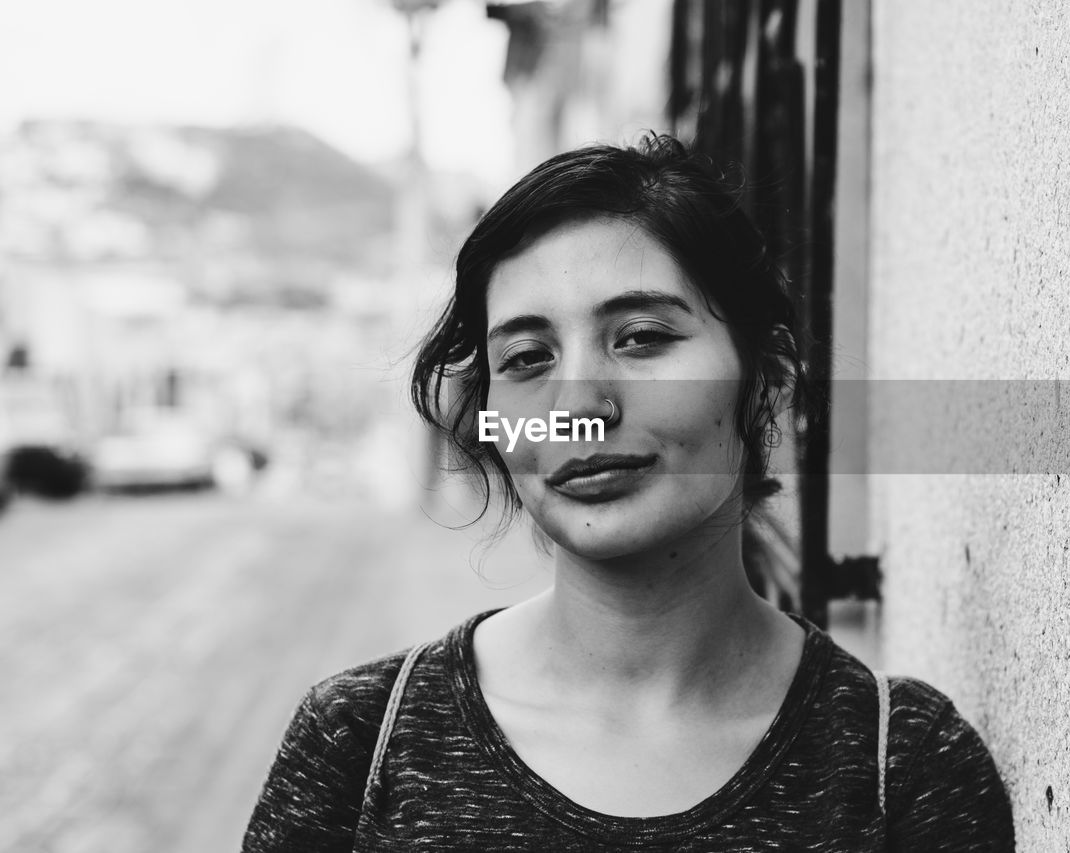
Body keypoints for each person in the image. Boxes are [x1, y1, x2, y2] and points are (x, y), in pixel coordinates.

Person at [242, 135, 1015, 851]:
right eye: (526, 358)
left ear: (768, 383)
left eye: (642, 337)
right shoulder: (359, 742)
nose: (578, 406)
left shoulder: (902, 767)